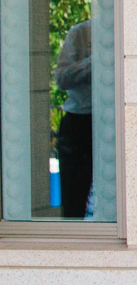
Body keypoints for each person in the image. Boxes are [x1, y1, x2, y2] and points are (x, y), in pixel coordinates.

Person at [54, 18, 93, 218]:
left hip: (114, 122)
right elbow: (61, 78)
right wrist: (94, 62)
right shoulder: (81, 32)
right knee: (73, 201)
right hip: (79, 121)